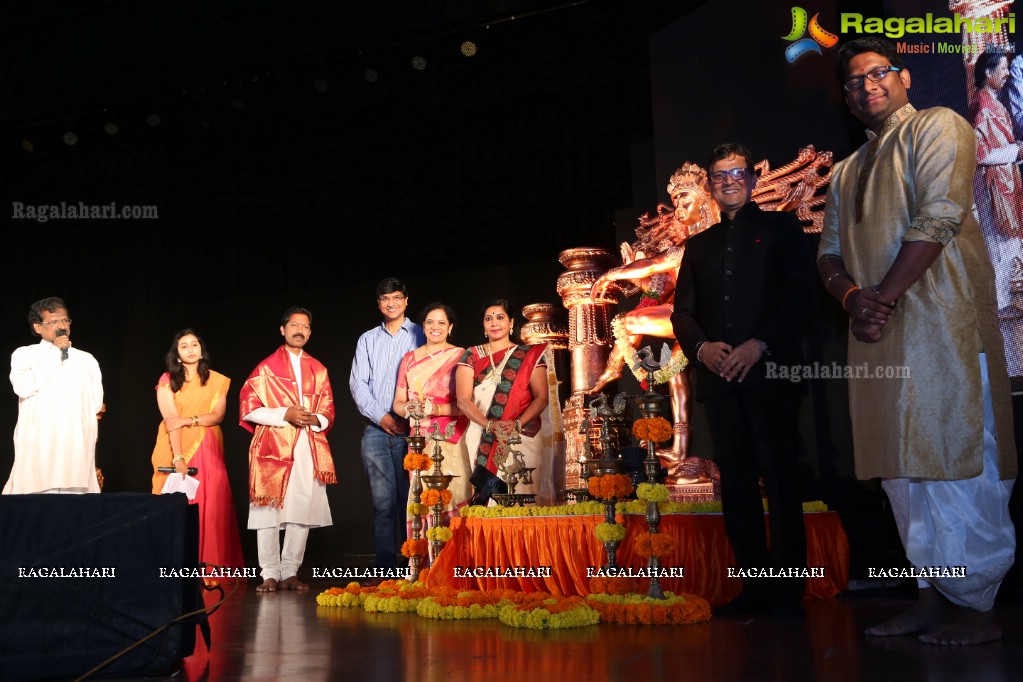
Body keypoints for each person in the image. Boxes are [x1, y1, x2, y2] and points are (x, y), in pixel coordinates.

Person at [819, 37, 1017, 645]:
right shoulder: (846, 170)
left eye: (877, 73)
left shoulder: (939, 125)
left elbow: (940, 214)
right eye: (854, 82)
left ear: (903, 77)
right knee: (901, 475)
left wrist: (880, 297)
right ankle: (932, 594)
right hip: (878, 334)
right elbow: (828, 255)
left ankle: (977, 604)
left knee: (957, 457)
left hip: (944, 324)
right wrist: (855, 299)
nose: (867, 86)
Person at [671, 144, 816, 616]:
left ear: (752, 179)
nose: (728, 180)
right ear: (711, 185)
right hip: (720, 383)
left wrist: (759, 345)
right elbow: (683, 313)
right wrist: (702, 348)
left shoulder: (780, 228)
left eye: (736, 172)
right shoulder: (698, 246)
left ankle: (788, 591)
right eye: (719, 175)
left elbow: (799, 298)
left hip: (770, 375)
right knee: (735, 487)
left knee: (780, 481)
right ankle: (753, 587)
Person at [589, 164, 719, 478]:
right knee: (678, 381)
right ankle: (680, 449)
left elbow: (656, 264)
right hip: (683, 321)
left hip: (704, 319)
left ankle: (613, 369)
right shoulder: (681, 249)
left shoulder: (707, 242)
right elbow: (658, 284)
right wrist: (633, 267)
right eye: (675, 203)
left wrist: (614, 274)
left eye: (685, 199)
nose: (679, 209)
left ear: (707, 199)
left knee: (631, 323)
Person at [240, 306, 336, 592]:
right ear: (282, 329)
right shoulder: (266, 367)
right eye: (294, 324)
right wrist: (285, 414)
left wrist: (314, 419)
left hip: (308, 445)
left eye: (305, 326)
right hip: (272, 446)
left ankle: (290, 571)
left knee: (302, 509)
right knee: (269, 509)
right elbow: (248, 407)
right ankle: (269, 573)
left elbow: (328, 409)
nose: (299, 330)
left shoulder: (318, 369)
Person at [150, 329, 244, 579]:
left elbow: (217, 417)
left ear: (201, 349)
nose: (191, 349)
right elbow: (171, 421)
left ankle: (213, 568)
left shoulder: (217, 380)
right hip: (176, 447)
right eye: (184, 346)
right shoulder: (167, 380)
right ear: (177, 354)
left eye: (194, 344)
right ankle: (178, 569)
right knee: (180, 506)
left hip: (209, 447)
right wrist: (178, 457)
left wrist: (189, 419)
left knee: (213, 506)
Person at [350, 278, 425, 570]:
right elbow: (358, 384)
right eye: (385, 299)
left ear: (406, 300)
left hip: (414, 433)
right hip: (376, 432)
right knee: (383, 506)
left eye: (396, 297)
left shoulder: (421, 334)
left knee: (412, 504)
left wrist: (408, 419)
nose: (391, 303)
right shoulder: (367, 339)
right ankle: (384, 572)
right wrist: (382, 417)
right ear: (378, 303)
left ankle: (415, 570)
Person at [455, 298, 559, 505]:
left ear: (511, 323)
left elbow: (541, 398)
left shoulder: (529, 355)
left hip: (520, 436)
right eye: (488, 318)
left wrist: (517, 424)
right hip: (482, 433)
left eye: (500, 317)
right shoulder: (471, 355)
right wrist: (490, 425)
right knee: (489, 498)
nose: (494, 323)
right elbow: (463, 400)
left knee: (524, 493)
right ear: (483, 325)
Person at [4, 297, 103, 494]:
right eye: (53, 322)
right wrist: (56, 353)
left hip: (76, 444)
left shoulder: (86, 359)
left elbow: (95, 403)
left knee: (76, 505)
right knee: (36, 501)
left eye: (65, 320)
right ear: (38, 327)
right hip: (40, 443)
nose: (61, 326)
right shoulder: (24, 354)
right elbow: (23, 387)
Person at [392, 304, 471, 535]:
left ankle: (453, 558)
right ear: (423, 327)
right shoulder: (408, 359)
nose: (435, 327)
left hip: (451, 437)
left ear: (450, 327)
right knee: (423, 496)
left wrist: (433, 408)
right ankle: (424, 561)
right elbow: (398, 402)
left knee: (452, 493)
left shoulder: (460, 356)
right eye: (429, 322)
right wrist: (409, 409)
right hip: (419, 439)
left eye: (441, 323)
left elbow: (465, 405)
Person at [969, 51, 1023, 371]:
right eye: (1002, 69)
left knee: (1009, 253)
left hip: (1004, 184)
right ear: (988, 73)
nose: (1005, 75)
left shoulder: (991, 100)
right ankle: (1011, 363)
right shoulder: (983, 104)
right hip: (993, 190)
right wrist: (1016, 149)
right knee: (1001, 254)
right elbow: (980, 153)